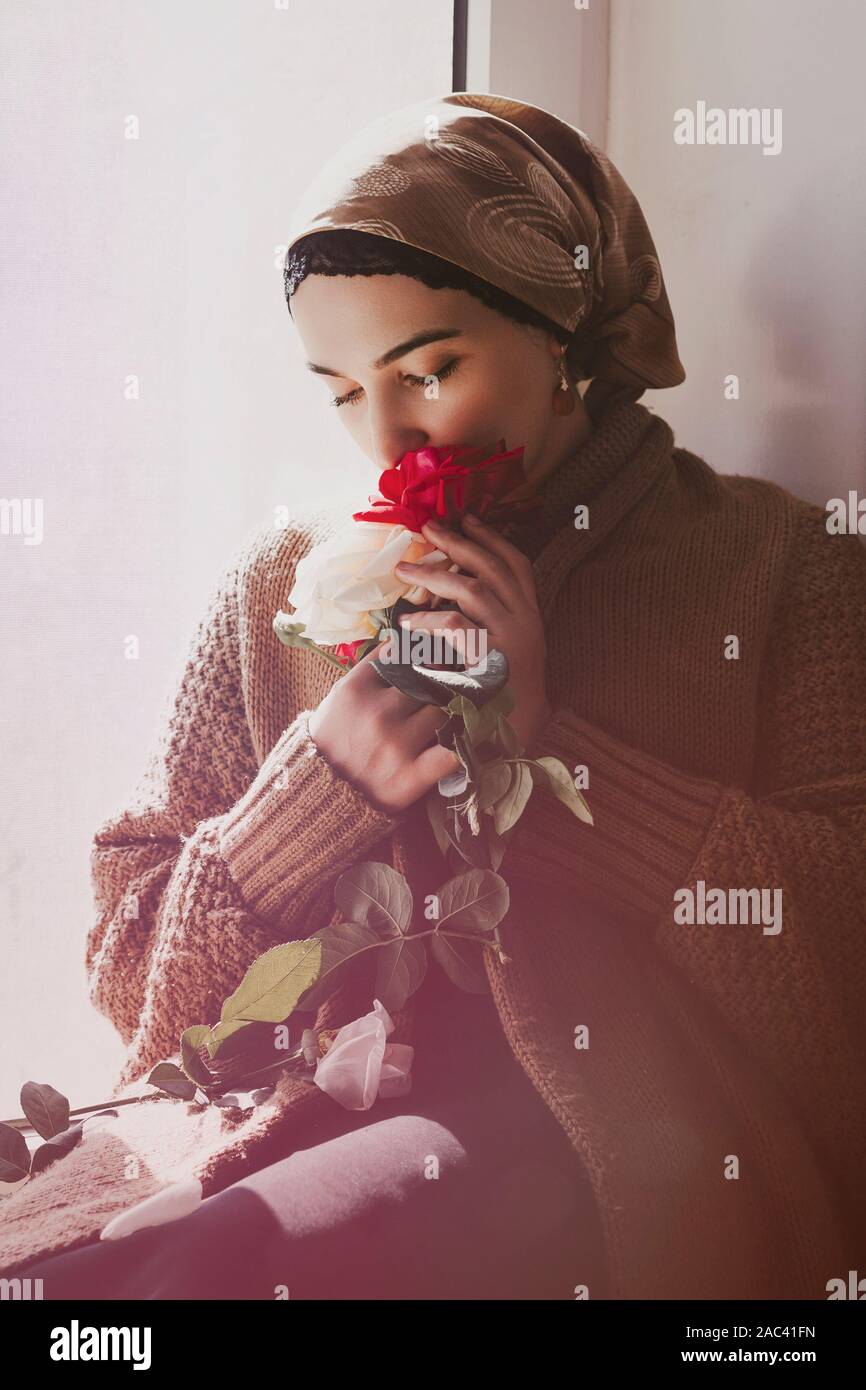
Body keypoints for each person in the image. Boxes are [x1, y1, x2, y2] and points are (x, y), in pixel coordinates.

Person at [11, 93, 865, 1301]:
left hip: (611, 1148)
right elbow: (134, 994)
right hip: (279, 1111)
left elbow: (839, 953)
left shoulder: (784, 568)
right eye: (342, 388)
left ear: (563, 329)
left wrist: (551, 755)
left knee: (218, 1274)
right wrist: (313, 795)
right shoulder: (284, 582)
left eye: (429, 367)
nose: (387, 432)